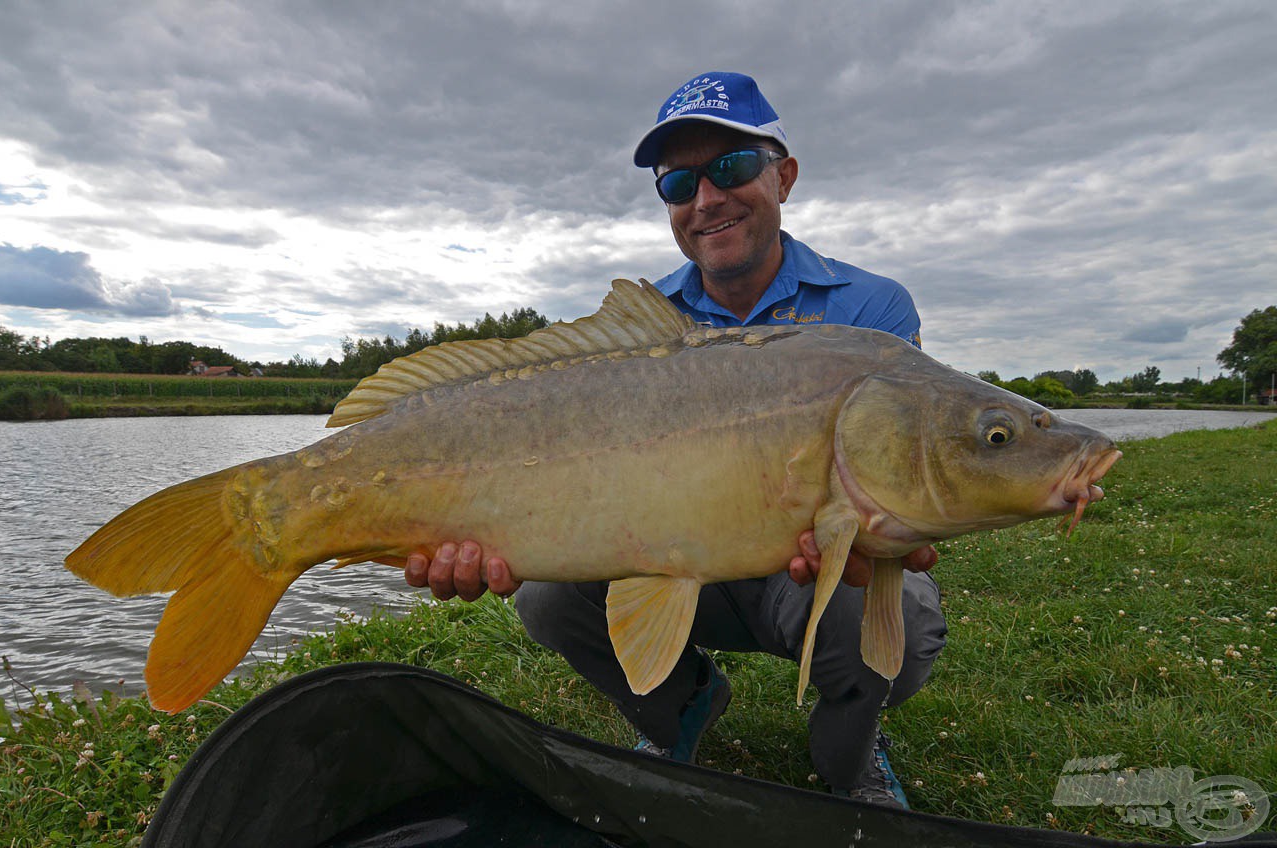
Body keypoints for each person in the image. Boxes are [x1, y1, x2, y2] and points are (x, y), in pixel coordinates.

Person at [396, 72, 947, 809]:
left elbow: (903, 467)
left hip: (809, 569)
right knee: (547, 599)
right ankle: (680, 712)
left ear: (782, 175)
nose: (706, 199)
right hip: (680, 556)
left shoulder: (872, 308)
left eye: (730, 168)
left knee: (898, 620)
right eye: (679, 183)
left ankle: (852, 761)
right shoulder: (643, 330)